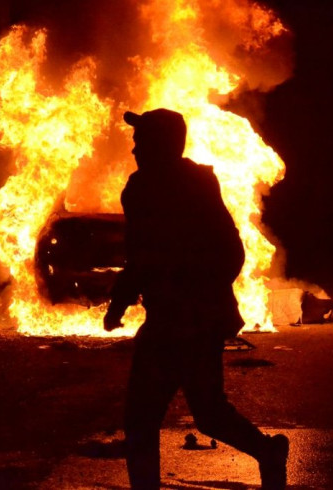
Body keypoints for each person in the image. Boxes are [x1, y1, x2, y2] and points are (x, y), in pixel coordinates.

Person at [104, 108, 289, 490]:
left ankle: (267, 452)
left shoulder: (167, 188)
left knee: (158, 416)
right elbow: (143, 257)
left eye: (141, 141)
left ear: (163, 144)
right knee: (198, 414)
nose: (135, 149)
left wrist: (196, 299)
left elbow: (224, 250)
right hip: (184, 320)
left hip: (185, 323)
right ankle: (268, 453)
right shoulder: (165, 185)